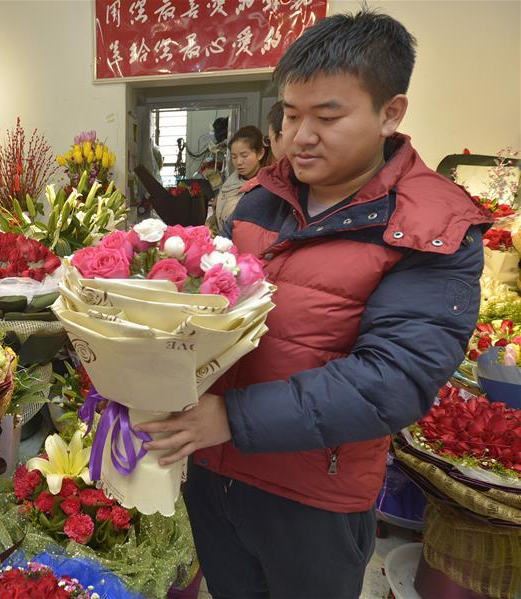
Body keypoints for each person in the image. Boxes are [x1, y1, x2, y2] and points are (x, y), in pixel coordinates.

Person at [139, 10, 492, 599]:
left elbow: (394, 379)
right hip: (214, 470)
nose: (300, 135)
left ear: (390, 113)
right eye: (291, 114)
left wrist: (230, 418)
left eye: (328, 116)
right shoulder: (260, 198)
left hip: (312, 498)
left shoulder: (431, 225)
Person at [207, 126, 271, 233]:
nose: (239, 162)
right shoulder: (230, 183)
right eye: (234, 157)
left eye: (244, 155)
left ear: (260, 153)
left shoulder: (267, 187)